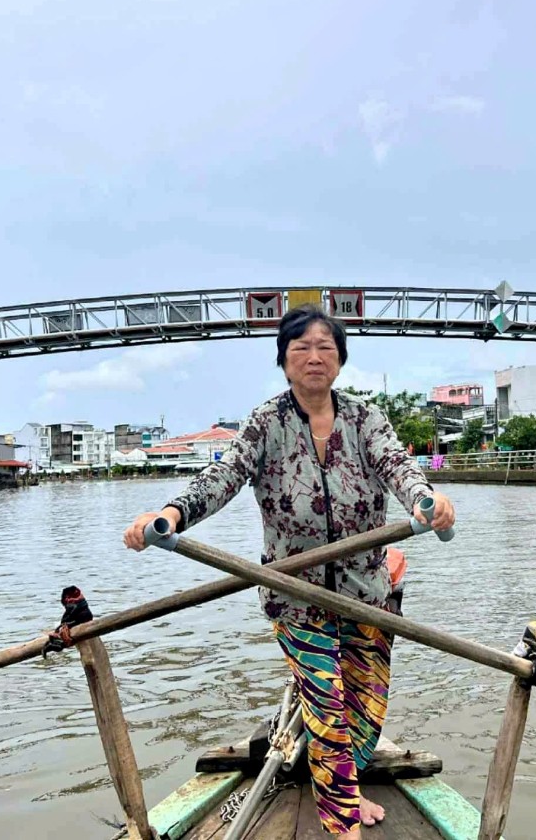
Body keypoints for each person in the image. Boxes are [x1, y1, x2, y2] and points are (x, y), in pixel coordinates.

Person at [124, 304, 455, 839]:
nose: (314, 357)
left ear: (340, 360)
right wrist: (171, 514)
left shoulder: (365, 419)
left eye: (325, 347)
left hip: (367, 591)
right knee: (325, 702)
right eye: (301, 347)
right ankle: (342, 817)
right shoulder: (266, 423)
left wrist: (427, 501)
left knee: (366, 708)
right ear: (283, 361)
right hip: (294, 594)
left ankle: (347, 781)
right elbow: (223, 477)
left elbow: (398, 467)